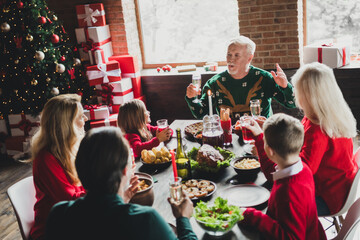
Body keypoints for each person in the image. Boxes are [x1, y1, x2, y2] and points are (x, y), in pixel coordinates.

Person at [45, 127, 198, 240]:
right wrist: (183, 218)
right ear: (126, 171)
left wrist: (120, 201)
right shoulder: (146, 220)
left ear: (79, 169)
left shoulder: (57, 215)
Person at [241, 113, 326, 239]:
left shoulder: (288, 193)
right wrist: (260, 135)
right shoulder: (303, 169)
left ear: (269, 150)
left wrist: (251, 216)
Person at [292, 62, 358, 216]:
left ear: (308, 96)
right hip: (339, 187)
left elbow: (303, 171)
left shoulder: (318, 130)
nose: (295, 94)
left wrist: (273, 152)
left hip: (326, 197)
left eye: (297, 91)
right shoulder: (330, 116)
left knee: (277, 201)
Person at [185, 35, 296, 120]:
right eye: (229, 54)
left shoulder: (264, 78)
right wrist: (192, 98)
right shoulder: (215, 83)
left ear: (249, 58)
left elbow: (291, 104)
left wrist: (285, 86)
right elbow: (200, 113)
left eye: (236, 55)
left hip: (261, 137)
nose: (230, 59)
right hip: (229, 137)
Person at [29, 94, 88, 240]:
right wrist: (104, 187)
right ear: (67, 125)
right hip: (53, 231)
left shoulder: (70, 148)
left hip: (72, 221)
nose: (86, 119)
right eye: (81, 116)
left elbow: (83, 184)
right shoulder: (45, 159)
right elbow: (70, 200)